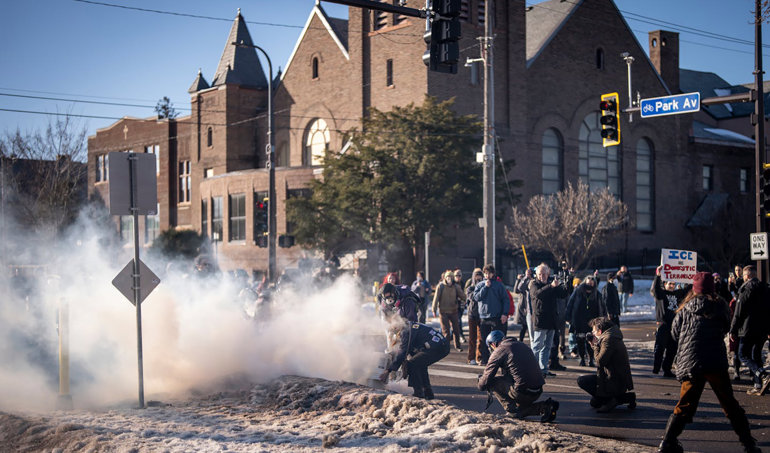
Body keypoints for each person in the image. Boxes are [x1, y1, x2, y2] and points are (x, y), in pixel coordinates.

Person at [657, 272, 762, 453]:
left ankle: (667, 442)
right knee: (729, 404)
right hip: (714, 361)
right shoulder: (720, 305)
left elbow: (675, 333)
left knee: (685, 404)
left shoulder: (685, 307)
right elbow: (726, 326)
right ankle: (749, 445)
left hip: (691, 361)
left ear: (694, 289)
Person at [477, 330, 559, 422]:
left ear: (493, 344)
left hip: (522, 392)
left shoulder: (500, 350)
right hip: (537, 391)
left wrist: (480, 381)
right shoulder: (522, 345)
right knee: (521, 410)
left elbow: (485, 382)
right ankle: (545, 407)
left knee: (492, 382)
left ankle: (512, 411)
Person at [576, 317, 635, 413]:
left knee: (582, 381)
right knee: (594, 403)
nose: (592, 333)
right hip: (614, 377)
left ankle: (612, 400)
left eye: (594, 331)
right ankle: (624, 397)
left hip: (614, 380)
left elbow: (600, 361)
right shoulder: (611, 335)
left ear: (600, 331)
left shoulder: (608, 339)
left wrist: (595, 345)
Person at [379, 321, 450, 399]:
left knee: (412, 364)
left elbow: (403, 351)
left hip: (438, 347)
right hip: (441, 345)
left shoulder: (406, 331)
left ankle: (418, 393)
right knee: (420, 364)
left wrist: (388, 370)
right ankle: (427, 392)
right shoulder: (410, 326)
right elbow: (407, 349)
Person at [730, 265, 770, 395]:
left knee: (742, 354)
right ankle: (758, 385)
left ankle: (762, 374)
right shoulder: (765, 288)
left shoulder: (745, 289)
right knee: (756, 355)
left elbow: (739, 311)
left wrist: (733, 329)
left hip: (748, 328)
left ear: (747, 276)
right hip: (762, 329)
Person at [528, 263, 569, 377]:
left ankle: (543, 369)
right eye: (540, 274)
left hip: (551, 320)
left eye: (544, 274)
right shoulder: (534, 284)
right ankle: (533, 370)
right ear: (536, 274)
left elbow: (563, 294)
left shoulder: (552, 284)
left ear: (548, 273)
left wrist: (567, 282)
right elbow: (538, 294)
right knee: (537, 346)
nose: (542, 276)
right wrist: (551, 286)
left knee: (547, 347)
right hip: (540, 320)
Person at [650, 265, 691, 377]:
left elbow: (688, 290)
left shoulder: (677, 294)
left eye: (673, 284)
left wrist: (692, 275)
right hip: (663, 325)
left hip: (674, 326)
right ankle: (656, 368)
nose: (672, 286)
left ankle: (667, 369)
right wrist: (658, 275)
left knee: (672, 349)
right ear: (665, 284)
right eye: (669, 284)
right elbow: (655, 289)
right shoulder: (661, 294)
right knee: (660, 348)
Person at [473, 264, 511, 365]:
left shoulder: (499, 285)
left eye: (489, 273)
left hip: (496, 317)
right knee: (484, 340)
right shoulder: (480, 285)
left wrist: (504, 314)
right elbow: (476, 298)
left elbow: (506, 300)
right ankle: (485, 360)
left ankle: (498, 360)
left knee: (498, 341)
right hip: (484, 317)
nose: (487, 275)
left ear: (493, 274)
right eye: (485, 273)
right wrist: (485, 287)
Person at [566, 275, 605, 367]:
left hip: (592, 322)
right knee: (580, 341)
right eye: (588, 281)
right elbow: (570, 304)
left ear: (594, 284)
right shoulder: (578, 291)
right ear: (585, 282)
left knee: (591, 341)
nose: (590, 283)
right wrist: (568, 317)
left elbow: (602, 307)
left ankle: (591, 359)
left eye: (592, 282)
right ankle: (582, 359)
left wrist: (602, 319)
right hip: (579, 321)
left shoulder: (597, 294)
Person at [432, 270, 465, 352]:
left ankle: (457, 346)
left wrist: (465, 299)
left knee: (456, 330)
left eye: (451, 277)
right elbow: (436, 298)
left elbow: (463, 296)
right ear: (445, 278)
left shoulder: (456, 286)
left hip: (454, 311)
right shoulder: (441, 286)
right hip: (443, 312)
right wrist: (434, 309)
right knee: (446, 331)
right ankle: (446, 347)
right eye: (448, 277)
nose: (449, 279)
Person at [465, 269, 485, 365]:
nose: (478, 278)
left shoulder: (485, 287)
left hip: (482, 315)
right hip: (472, 314)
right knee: (472, 338)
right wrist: (479, 288)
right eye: (476, 276)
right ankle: (471, 357)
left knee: (481, 338)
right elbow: (472, 297)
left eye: (480, 276)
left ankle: (479, 357)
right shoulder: (470, 288)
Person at [513, 269, 533, 343]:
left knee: (531, 329)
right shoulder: (523, 281)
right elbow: (517, 290)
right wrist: (519, 280)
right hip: (524, 307)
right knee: (523, 327)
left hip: (531, 307)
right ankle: (520, 342)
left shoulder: (533, 281)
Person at [452, 269, 468, 344]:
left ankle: (459, 335)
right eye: (456, 275)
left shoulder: (463, 284)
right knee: (455, 321)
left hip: (460, 305)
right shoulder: (452, 284)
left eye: (459, 276)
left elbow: (465, 294)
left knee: (458, 320)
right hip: (452, 305)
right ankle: (457, 334)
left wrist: (463, 300)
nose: (458, 277)